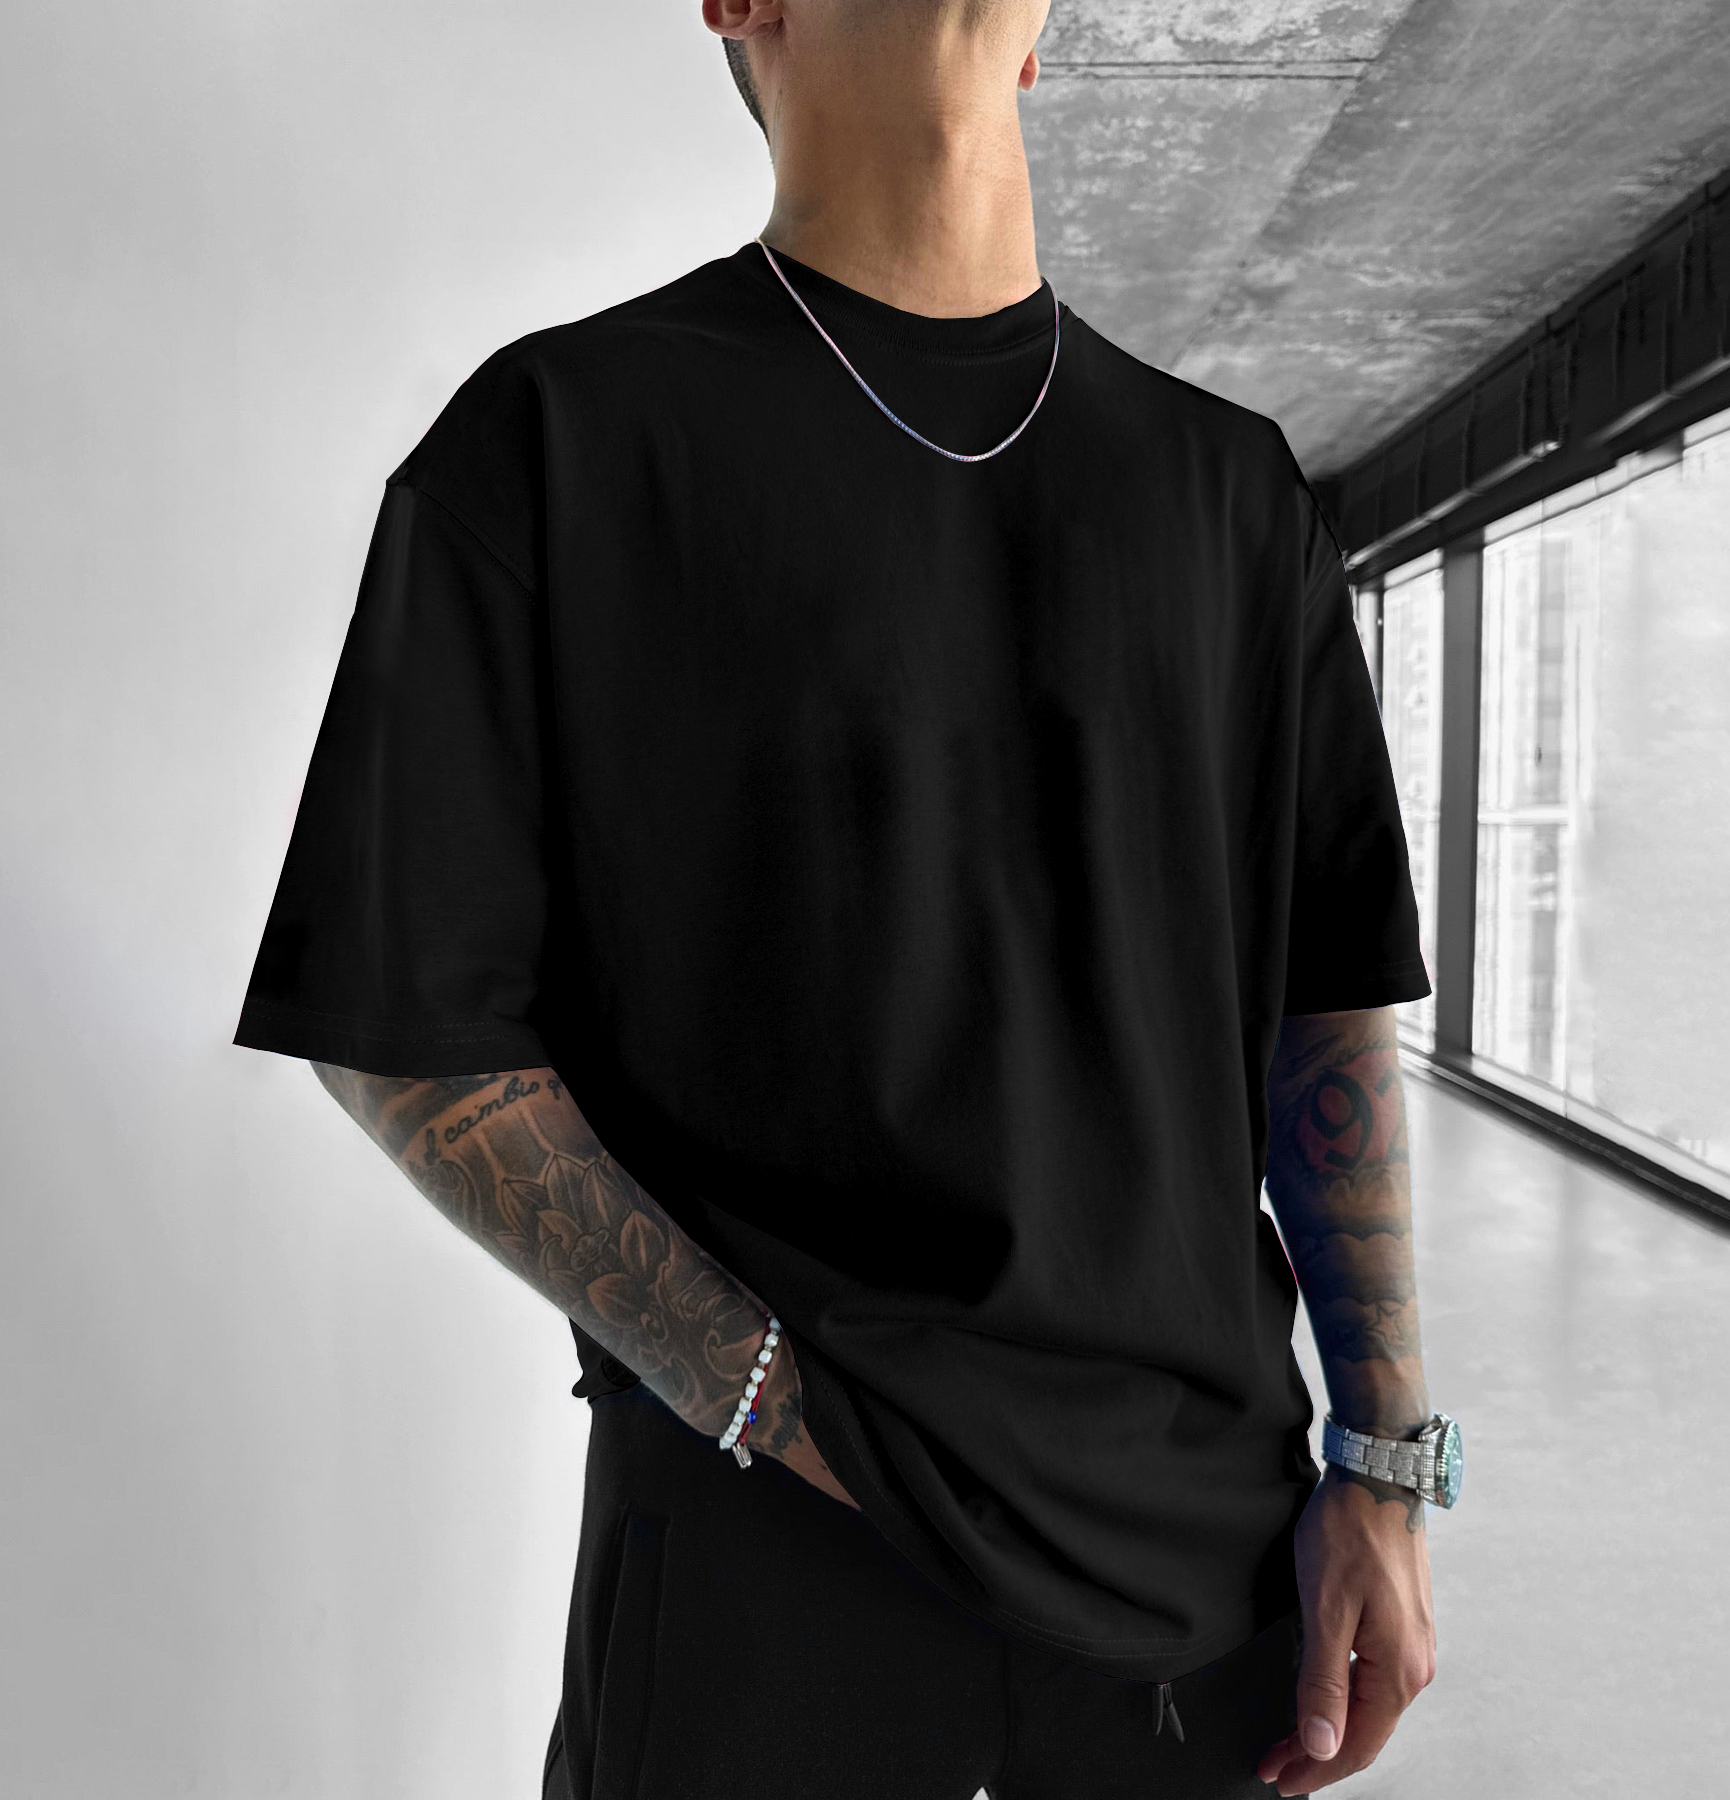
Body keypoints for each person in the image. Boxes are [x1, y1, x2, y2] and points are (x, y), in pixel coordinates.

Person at [232, 2, 1461, 1795]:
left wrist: (1385, 1464)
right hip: (765, 1588)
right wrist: (760, 1397)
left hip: (1203, 1599)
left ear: (1039, 42)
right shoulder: (558, 443)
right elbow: (411, 1035)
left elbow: (1322, 1016)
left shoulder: (1231, 493)